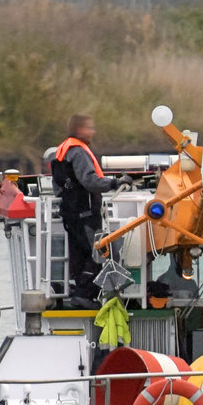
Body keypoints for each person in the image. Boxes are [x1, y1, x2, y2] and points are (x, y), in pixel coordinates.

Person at [51, 114, 127, 306]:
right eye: (89, 127)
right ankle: (84, 295)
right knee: (99, 253)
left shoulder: (62, 151)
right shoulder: (78, 152)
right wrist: (115, 182)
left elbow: (59, 185)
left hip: (70, 213)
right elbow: (90, 181)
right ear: (79, 129)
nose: (92, 131)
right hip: (84, 213)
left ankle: (79, 291)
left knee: (79, 255)